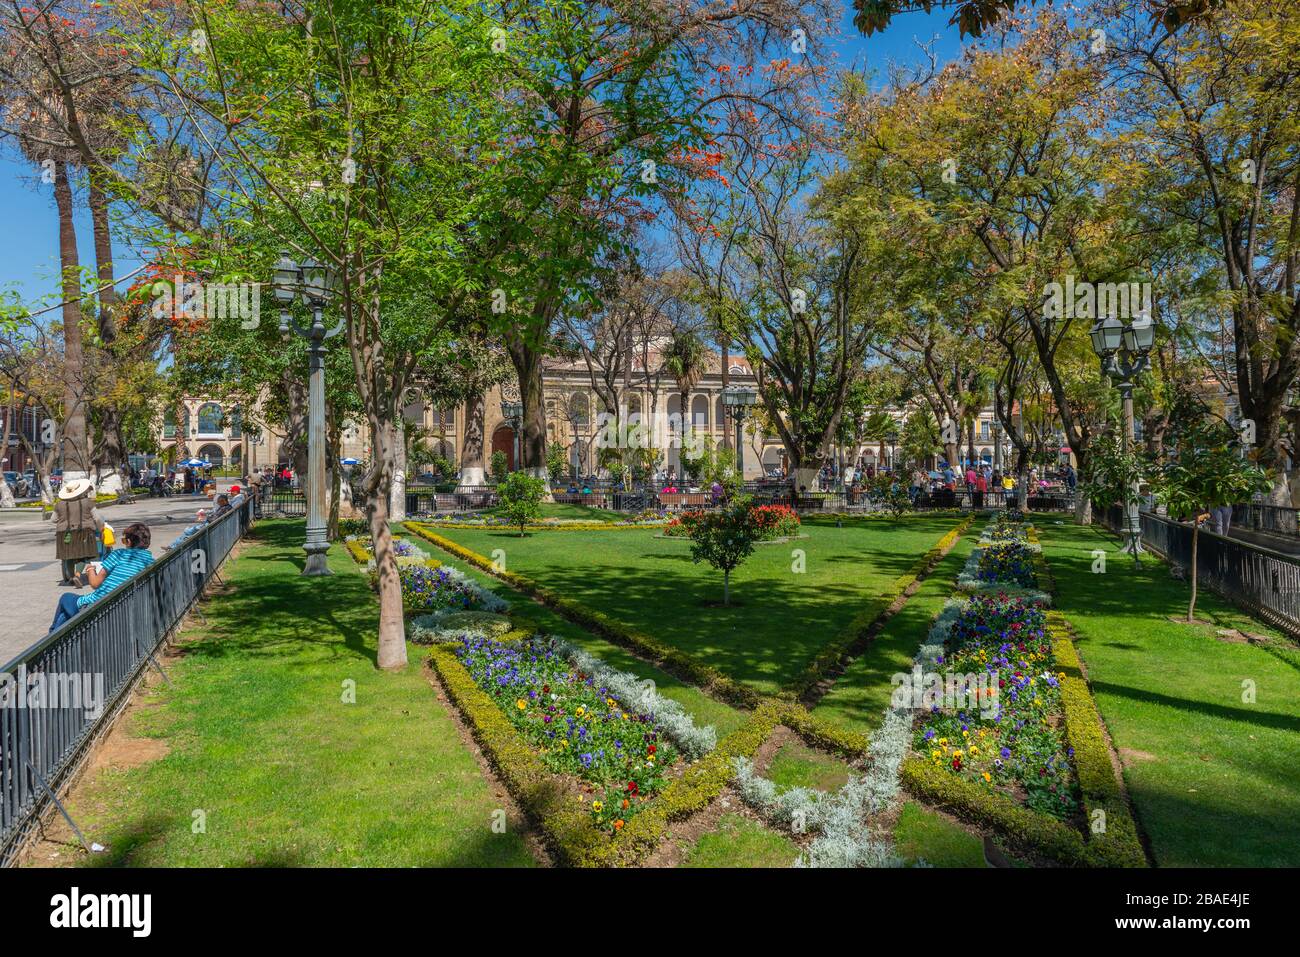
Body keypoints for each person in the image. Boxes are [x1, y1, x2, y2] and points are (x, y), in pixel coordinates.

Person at [49, 522, 154, 633]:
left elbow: (95, 584)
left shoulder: (118, 554)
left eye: (124, 541)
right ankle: (52, 637)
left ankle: (51, 636)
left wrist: (90, 570)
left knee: (66, 598)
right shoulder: (151, 562)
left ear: (128, 542)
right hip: (125, 605)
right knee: (66, 612)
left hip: (98, 607)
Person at [51, 478, 104, 585]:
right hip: (84, 532)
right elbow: (97, 518)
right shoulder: (88, 502)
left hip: (64, 534)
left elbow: (53, 519)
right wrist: (101, 528)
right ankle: (78, 575)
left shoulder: (59, 504)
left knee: (69, 555)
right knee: (84, 554)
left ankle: (71, 577)